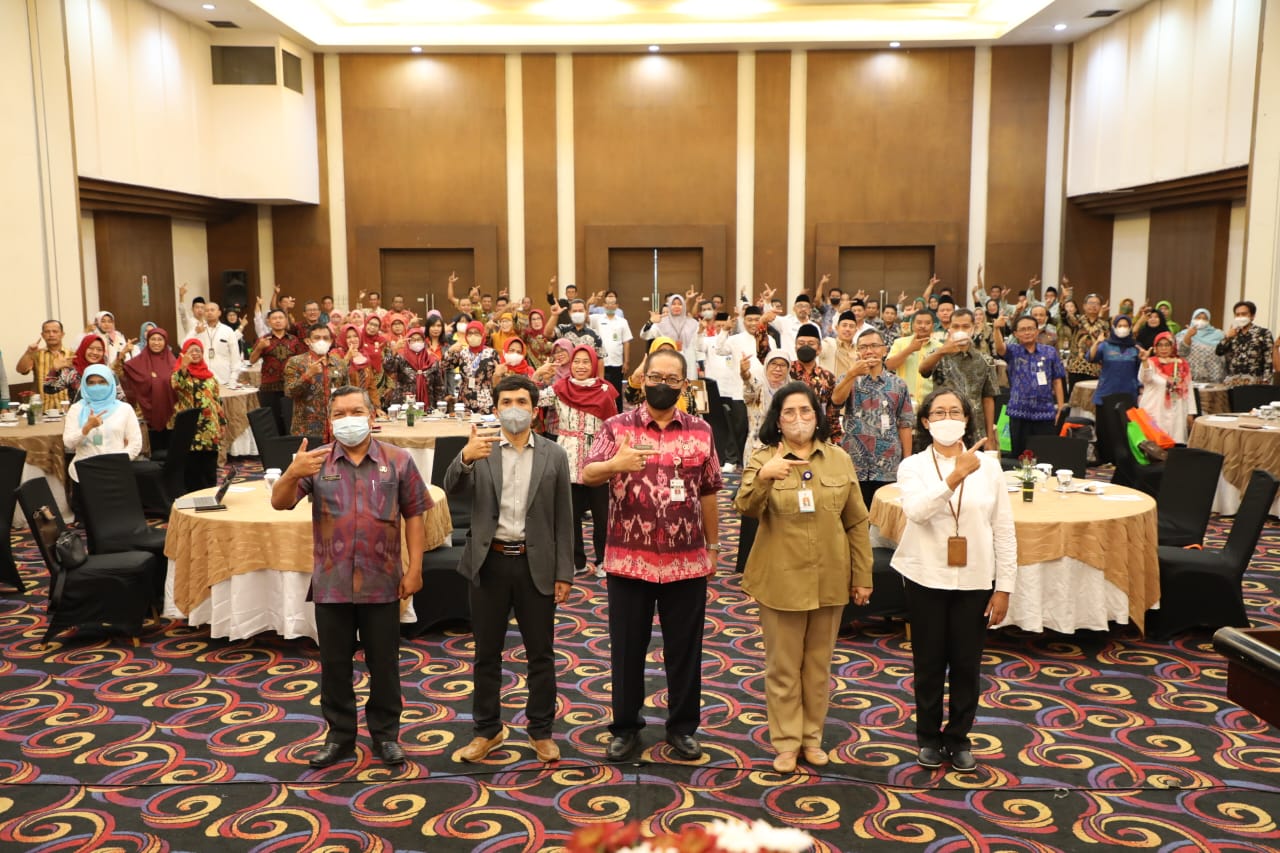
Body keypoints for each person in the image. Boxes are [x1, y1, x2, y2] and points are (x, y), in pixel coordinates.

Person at [271, 387, 429, 769]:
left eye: (356, 410)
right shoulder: (317, 461)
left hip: (383, 581)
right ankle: (340, 737)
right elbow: (279, 501)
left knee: (385, 665)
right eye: (340, 413)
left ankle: (386, 735)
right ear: (330, 421)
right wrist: (292, 471)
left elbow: (415, 515)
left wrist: (415, 569)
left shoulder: (399, 459)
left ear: (371, 415)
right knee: (335, 667)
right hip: (332, 584)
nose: (349, 418)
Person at [581, 347, 723, 763]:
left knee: (685, 649)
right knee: (626, 648)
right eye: (655, 377)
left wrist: (713, 548)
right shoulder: (615, 426)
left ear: (684, 385)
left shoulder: (701, 430)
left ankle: (682, 728)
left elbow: (711, 490)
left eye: (672, 380)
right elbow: (587, 472)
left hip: (687, 561)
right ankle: (625, 727)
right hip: (629, 559)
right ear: (642, 381)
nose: (663, 385)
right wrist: (616, 463)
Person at [735, 381, 873, 773]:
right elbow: (744, 507)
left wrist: (862, 576)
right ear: (777, 421)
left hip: (830, 578)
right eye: (790, 413)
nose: (799, 419)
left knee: (817, 667)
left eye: (806, 412)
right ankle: (785, 741)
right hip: (780, 580)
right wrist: (765, 477)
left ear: (818, 417)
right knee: (782, 667)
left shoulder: (838, 459)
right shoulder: (763, 459)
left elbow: (857, 522)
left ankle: (811, 738)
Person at [444, 375, 574, 764]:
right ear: (496, 408)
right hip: (490, 563)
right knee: (486, 653)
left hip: (537, 565)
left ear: (535, 411)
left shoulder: (554, 454)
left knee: (541, 654)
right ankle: (487, 730)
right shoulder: (480, 450)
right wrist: (465, 457)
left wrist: (564, 573)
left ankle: (540, 730)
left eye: (522, 401)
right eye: (506, 402)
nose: (514, 408)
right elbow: (450, 488)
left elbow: (564, 519)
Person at [892, 389, 1016, 773]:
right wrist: (955, 475)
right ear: (926, 421)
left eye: (956, 411)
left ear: (967, 419)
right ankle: (928, 737)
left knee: (967, 664)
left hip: (975, 578)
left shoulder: (990, 467)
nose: (948, 417)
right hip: (926, 576)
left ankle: (959, 737)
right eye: (939, 412)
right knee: (928, 663)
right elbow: (916, 512)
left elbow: (1004, 529)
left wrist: (1004, 586)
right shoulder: (912, 466)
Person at [537, 345, 619, 578]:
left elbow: (614, 425)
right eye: (576, 362)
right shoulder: (560, 388)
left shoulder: (605, 390)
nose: (581, 366)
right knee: (569, 515)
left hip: (598, 459)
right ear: (569, 364)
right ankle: (576, 560)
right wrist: (536, 377)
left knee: (602, 515)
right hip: (568, 458)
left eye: (585, 362)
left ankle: (604, 559)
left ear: (593, 364)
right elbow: (534, 400)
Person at [831, 329, 914, 508]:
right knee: (856, 517)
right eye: (863, 347)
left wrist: (907, 462)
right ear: (857, 352)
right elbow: (836, 401)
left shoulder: (898, 384)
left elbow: (905, 424)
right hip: (855, 463)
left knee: (884, 520)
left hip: (888, 464)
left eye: (874, 346)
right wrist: (852, 374)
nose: (869, 351)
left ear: (885, 350)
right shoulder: (849, 378)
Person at [918, 308, 998, 441]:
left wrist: (990, 437)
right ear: (949, 328)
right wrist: (943, 350)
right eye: (955, 326)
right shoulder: (937, 354)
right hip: (945, 425)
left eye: (965, 326)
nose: (960, 330)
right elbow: (923, 370)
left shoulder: (986, 359)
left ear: (973, 328)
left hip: (975, 429)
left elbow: (988, 399)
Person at [994, 314, 1066, 456]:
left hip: (1045, 411)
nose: (1027, 332)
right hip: (1019, 411)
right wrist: (996, 328)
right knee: (1020, 455)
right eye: (1022, 329)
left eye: (1030, 328)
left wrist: (1061, 407)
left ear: (1037, 331)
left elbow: (1057, 380)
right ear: (1016, 334)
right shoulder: (1013, 351)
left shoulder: (1050, 352)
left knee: (1045, 454)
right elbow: (1000, 348)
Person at [63, 365, 143, 482]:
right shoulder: (76, 409)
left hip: (116, 472)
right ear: (85, 385)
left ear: (110, 383)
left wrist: (115, 461)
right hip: (83, 473)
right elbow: (69, 443)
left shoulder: (124, 409)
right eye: (91, 383)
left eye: (102, 382)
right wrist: (87, 427)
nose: (97, 386)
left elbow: (135, 444)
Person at [171, 339, 226, 491]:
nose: (195, 354)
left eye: (198, 351)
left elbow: (217, 401)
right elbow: (176, 385)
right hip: (191, 427)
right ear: (184, 353)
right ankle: (192, 497)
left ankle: (211, 493)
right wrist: (184, 365)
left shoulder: (210, 376)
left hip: (210, 427)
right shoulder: (181, 373)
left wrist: (222, 423)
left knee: (209, 465)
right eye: (191, 351)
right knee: (192, 466)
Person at [284, 325, 350, 440]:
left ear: (331, 341)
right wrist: (308, 375)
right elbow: (289, 392)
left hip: (337, 428)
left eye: (325, 338)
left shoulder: (340, 364)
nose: (322, 341)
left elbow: (347, 394)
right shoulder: (295, 362)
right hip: (306, 430)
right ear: (308, 341)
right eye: (317, 338)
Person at [250, 308, 307, 434]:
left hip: (291, 387)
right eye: (274, 318)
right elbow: (252, 360)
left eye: (281, 318)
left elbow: (303, 361)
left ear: (286, 321)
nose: (278, 321)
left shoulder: (294, 340)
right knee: (272, 423)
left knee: (291, 421)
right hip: (269, 387)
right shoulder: (263, 340)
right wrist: (259, 348)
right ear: (268, 322)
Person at [122, 327, 177, 454]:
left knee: (169, 452)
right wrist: (122, 354)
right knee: (150, 452)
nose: (156, 343)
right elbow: (118, 372)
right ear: (147, 341)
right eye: (153, 339)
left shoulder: (174, 362)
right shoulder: (138, 361)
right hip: (145, 414)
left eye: (160, 339)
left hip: (170, 415)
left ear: (166, 342)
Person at [1139, 331, 1197, 443]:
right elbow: (1145, 378)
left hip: (1177, 409)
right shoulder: (1151, 362)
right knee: (1155, 441)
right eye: (1160, 345)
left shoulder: (1182, 364)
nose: (1163, 348)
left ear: (1173, 346)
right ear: (1155, 347)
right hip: (1155, 410)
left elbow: (1188, 389)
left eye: (1167, 345)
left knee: (1175, 441)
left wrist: (1191, 412)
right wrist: (1145, 361)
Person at [885, 310, 941, 410]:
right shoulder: (900, 343)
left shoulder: (940, 347)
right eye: (919, 322)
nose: (923, 326)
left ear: (933, 326)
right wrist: (910, 349)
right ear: (912, 324)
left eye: (927, 323)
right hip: (903, 399)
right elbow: (889, 366)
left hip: (930, 401)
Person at [444, 321, 499, 414]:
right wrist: (450, 351)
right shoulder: (461, 352)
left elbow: (498, 374)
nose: (473, 336)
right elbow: (444, 366)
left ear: (482, 334)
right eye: (470, 333)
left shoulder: (492, 353)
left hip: (485, 398)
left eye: (476, 333)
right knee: (464, 425)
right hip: (465, 398)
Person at [17, 320, 73, 410]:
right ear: (42, 335)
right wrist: (28, 353)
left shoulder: (72, 355)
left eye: (55, 331)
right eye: (47, 332)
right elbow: (21, 370)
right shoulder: (36, 354)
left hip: (67, 407)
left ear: (62, 334)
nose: (51, 334)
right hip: (42, 409)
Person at [45, 335, 118, 404]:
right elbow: (48, 389)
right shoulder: (72, 372)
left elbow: (120, 397)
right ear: (83, 348)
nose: (95, 352)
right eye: (91, 348)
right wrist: (54, 369)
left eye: (99, 350)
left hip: (107, 414)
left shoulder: (108, 373)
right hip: (78, 415)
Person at [590, 292, 633, 408]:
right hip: (600, 362)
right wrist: (589, 303)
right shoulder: (597, 319)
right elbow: (584, 318)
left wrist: (626, 362)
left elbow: (626, 342)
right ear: (604, 305)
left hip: (616, 362)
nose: (610, 306)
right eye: (608, 303)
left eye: (613, 303)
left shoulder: (622, 321)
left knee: (616, 390)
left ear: (617, 306)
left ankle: (617, 413)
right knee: (600, 389)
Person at [1216, 300, 1274, 387]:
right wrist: (1227, 337)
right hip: (1233, 381)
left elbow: (1269, 359)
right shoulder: (1232, 333)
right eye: (1237, 314)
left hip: (1255, 382)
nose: (1240, 317)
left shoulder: (1263, 333)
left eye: (1244, 314)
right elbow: (1219, 352)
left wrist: (1266, 381)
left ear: (1252, 316)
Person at [641, 294, 700, 377]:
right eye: (673, 304)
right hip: (668, 361)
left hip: (689, 361)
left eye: (680, 304)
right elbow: (644, 335)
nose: (677, 306)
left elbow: (698, 345)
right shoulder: (661, 323)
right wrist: (650, 321)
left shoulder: (693, 323)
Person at [1061, 293, 1110, 389]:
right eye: (1091, 303)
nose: (1093, 305)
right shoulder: (1077, 320)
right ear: (1084, 306)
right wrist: (1063, 299)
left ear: (1100, 307)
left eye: (1097, 303)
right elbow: (1064, 314)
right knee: (1074, 399)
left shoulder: (1105, 324)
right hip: (1076, 367)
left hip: (1096, 368)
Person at [546, 299, 605, 364]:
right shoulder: (563, 329)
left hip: (586, 371)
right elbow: (548, 333)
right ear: (569, 313)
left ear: (586, 312)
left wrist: (599, 374)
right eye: (574, 311)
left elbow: (600, 358)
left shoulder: (594, 334)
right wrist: (554, 315)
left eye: (580, 311)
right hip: (565, 373)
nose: (577, 313)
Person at [1177, 308, 1226, 385]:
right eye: (1198, 318)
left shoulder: (1218, 334)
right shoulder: (1183, 334)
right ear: (1193, 319)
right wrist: (1188, 336)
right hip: (1190, 377)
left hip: (1214, 376)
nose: (1201, 320)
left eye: (1205, 318)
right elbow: (1181, 353)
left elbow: (1223, 352)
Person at [402, 326, 446, 407]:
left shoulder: (432, 361)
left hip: (429, 405)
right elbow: (389, 368)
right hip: (407, 406)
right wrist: (393, 351)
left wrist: (440, 406)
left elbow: (439, 386)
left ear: (423, 341)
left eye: (419, 339)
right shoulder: (402, 359)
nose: (416, 342)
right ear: (408, 342)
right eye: (413, 339)